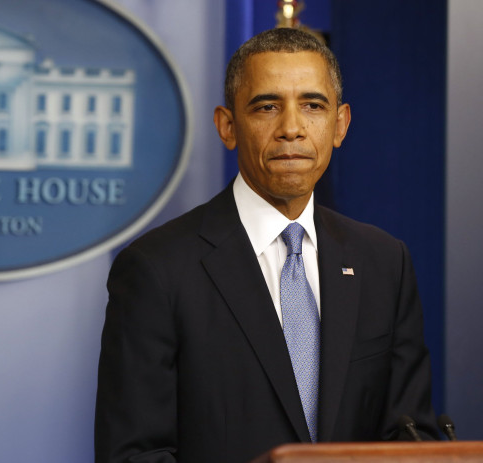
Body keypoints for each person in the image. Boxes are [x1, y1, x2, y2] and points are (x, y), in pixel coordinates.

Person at [94, 28, 437, 463]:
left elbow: (411, 436)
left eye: (312, 106)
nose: (291, 129)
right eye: (267, 106)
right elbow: (134, 454)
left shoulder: (384, 261)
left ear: (340, 124)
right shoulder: (155, 268)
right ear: (227, 126)